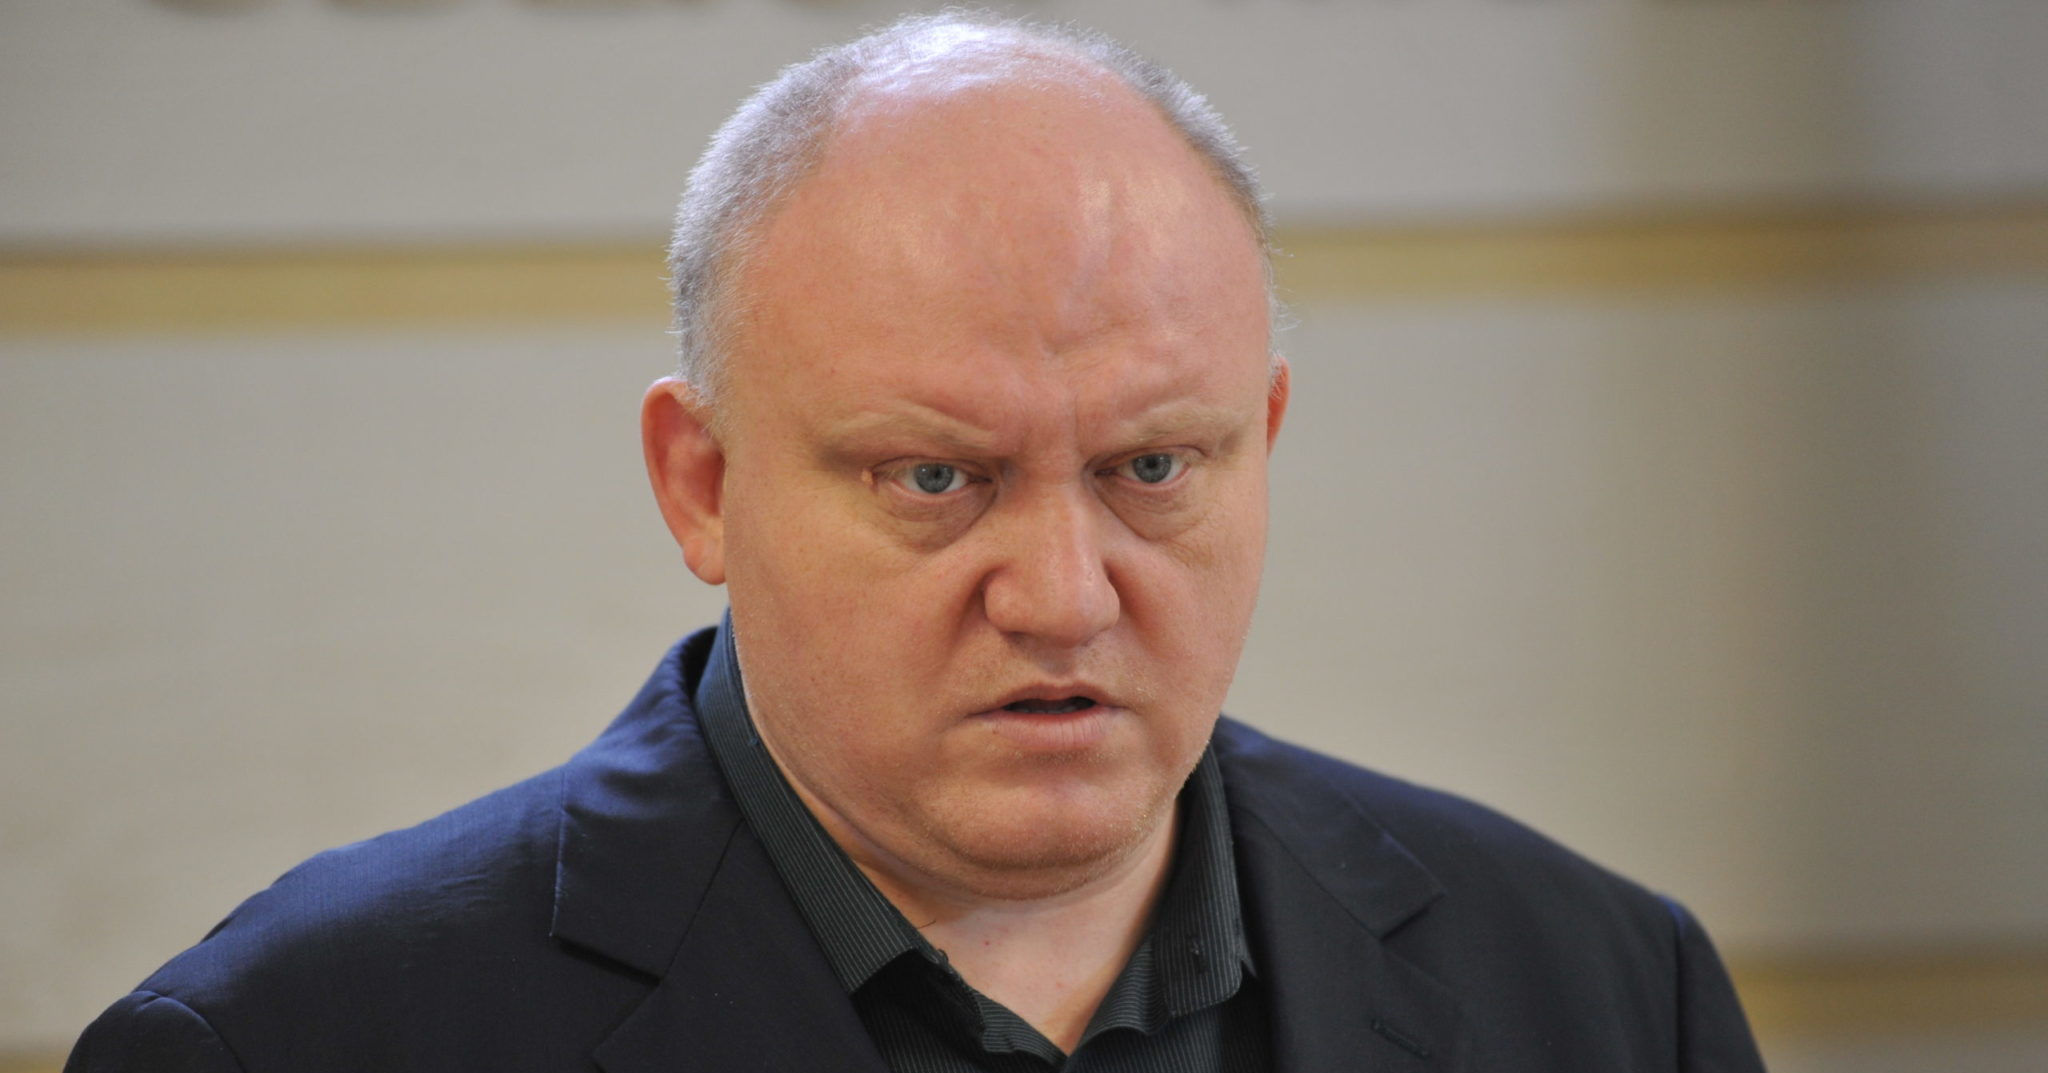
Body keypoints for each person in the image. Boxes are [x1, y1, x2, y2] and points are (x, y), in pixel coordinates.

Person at [68, 13, 1765, 1073]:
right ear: (701, 485)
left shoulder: (1610, 993)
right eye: (935, 479)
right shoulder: (289, 1040)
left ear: (1267, 441)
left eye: (1154, 465)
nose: (1064, 595)